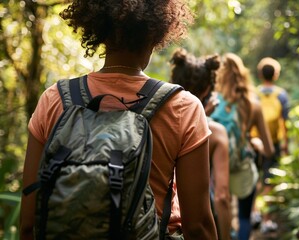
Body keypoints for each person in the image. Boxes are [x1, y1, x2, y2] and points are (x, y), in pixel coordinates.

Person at [20, 1, 217, 239]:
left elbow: (30, 222)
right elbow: (198, 226)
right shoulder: (182, 107)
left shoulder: (54, 100)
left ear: (97, 26)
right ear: (158, 30)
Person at [170, 48, 232, 240]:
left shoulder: (154, 120)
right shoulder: (217, 132)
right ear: (207, 88)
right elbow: (222, 195)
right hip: (200, 221)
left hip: (159, 220)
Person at [211, 53, 274, 240]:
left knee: (222, 209)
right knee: (244, 218)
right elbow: (269, 149)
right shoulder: (252, 105)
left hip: (217, 167)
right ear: (243, 74)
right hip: (243, 168)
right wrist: (257, 143)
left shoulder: (213, 102)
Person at [252, 57, 289, 234]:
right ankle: (267, 220)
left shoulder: (254, 94)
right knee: (269, 180)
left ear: (260, 74)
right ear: (275, 75)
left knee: (254, 177)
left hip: (254, 142)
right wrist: (285, 145)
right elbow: (284, 122)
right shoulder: (281, 95)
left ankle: (254, 213)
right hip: (273, 143)